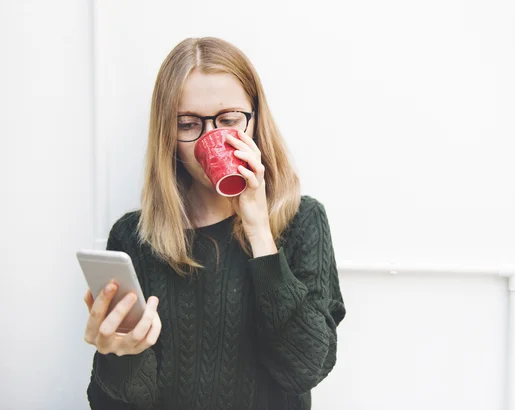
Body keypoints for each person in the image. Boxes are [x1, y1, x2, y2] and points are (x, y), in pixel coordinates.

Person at [82, 37, 346, 410]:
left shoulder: (302, 221)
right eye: (188, 124)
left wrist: (259, 233)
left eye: (228, 120)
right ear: (167, 137)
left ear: (255, 120)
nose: (212, 139)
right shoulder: (133, 237)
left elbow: (306, 368)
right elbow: (112, 403)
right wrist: (117, 355)